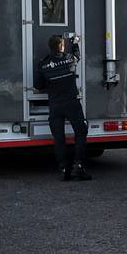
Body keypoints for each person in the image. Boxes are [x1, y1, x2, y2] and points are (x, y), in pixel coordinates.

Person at [33, 35, 92, 182]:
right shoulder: (70, 59)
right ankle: (78, 167)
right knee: (81, 132)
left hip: (55, 105)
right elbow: (78, 55)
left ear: (50, 47)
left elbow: (38, 86)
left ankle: (64, 169)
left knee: (59, 138)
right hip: (71, 103)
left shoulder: (43, 64)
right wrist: (75, 42)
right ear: (62, 46)